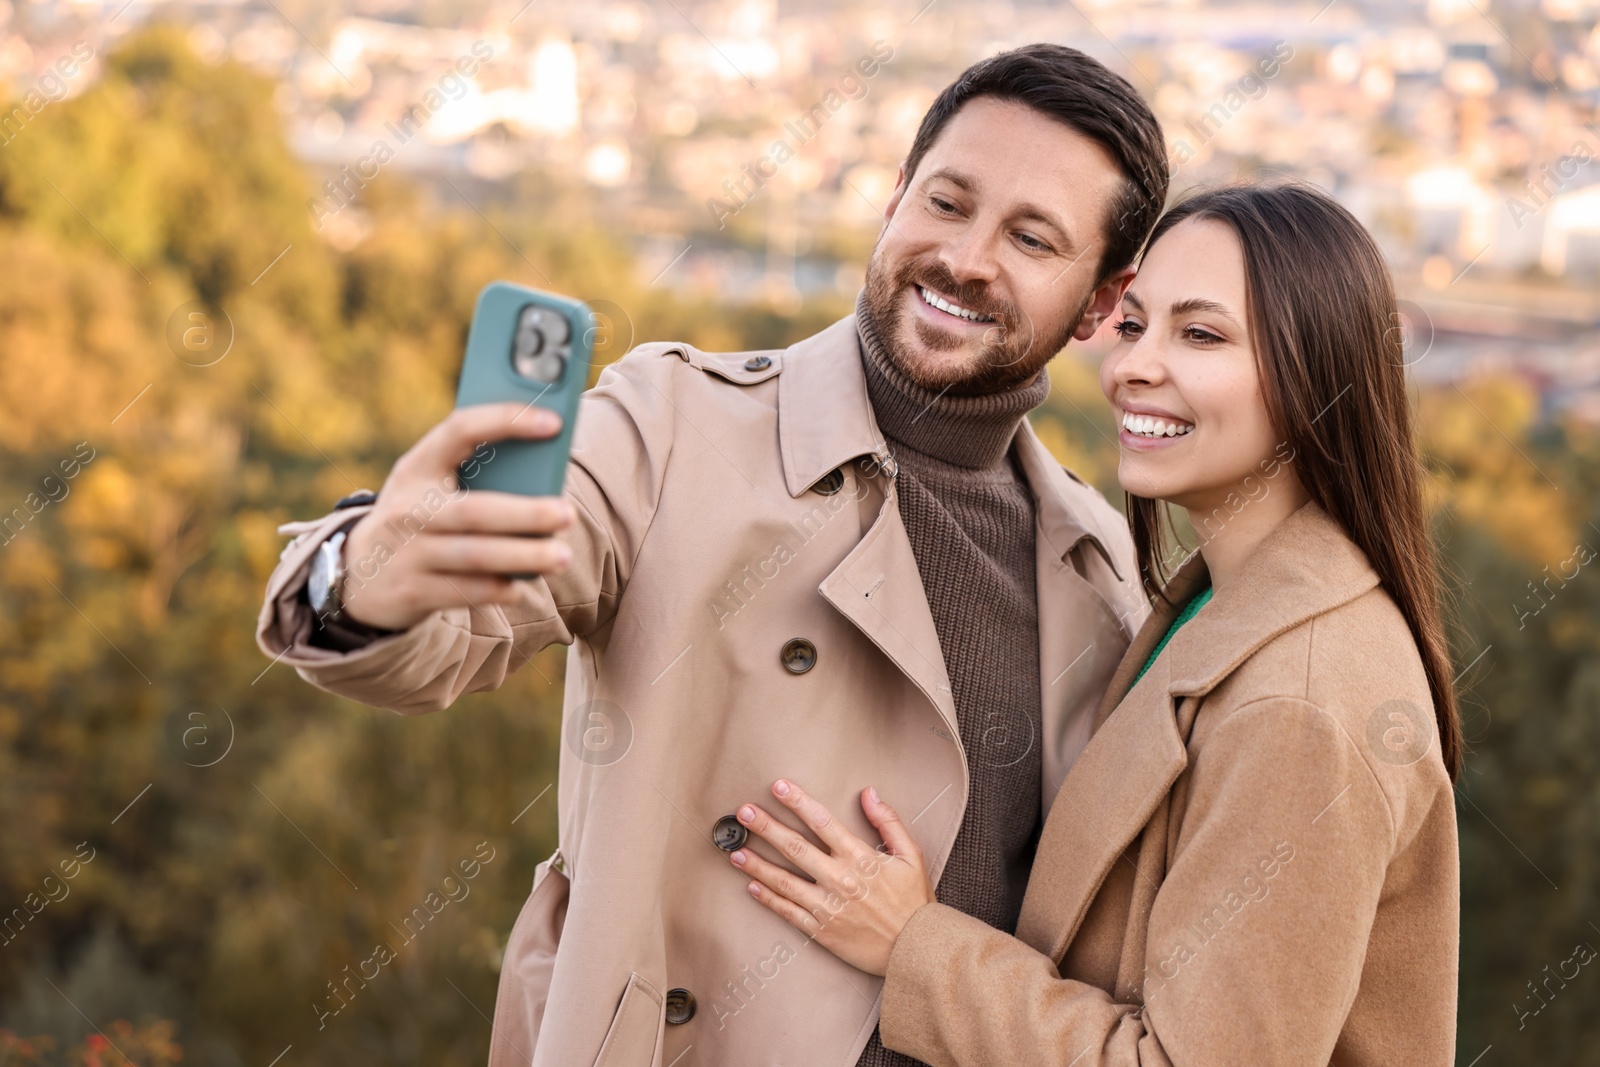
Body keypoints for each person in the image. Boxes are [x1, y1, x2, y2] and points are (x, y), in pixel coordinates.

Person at [255, 44, 1170, 1067]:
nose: (964, 257)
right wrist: (365, 577)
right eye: (946, 202)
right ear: (891, 197)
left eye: (1031, 237)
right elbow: (467, 619)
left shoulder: (1094, 565)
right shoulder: (670, 424)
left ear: (1100, 301)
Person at [726, 182, 1463, 1066]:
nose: (1132, 368)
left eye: (1200, 334)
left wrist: (914, 944)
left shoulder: (1299, 708)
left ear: (1318, 376)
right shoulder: (1216, 604)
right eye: (1133, 325)